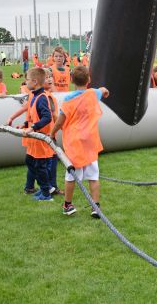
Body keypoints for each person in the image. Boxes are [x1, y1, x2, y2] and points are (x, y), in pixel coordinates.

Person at [50, 66, 110, 217]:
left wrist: (52, 133)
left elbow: (59, 122)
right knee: (93, 175)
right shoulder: (93, 94)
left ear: (71, 81)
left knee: (72, 175)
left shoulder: (68, 100)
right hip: (90, 141)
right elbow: (102, 90)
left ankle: (67, 205)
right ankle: (95, 207)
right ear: (89, 80)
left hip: (74, 142)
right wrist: (105, 91)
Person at [16, 67, 54, 200]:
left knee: (40, 166)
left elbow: (47, 117)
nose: (25, 82)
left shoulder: (42, 98)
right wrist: (25, 125)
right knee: (30, 162)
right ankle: (44, 188)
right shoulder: (34, 95)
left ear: (35, 81)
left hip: (40, 138)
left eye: (27, 80)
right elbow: (33, 116)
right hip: (33, 139)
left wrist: (33, 127)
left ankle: (46, 194)